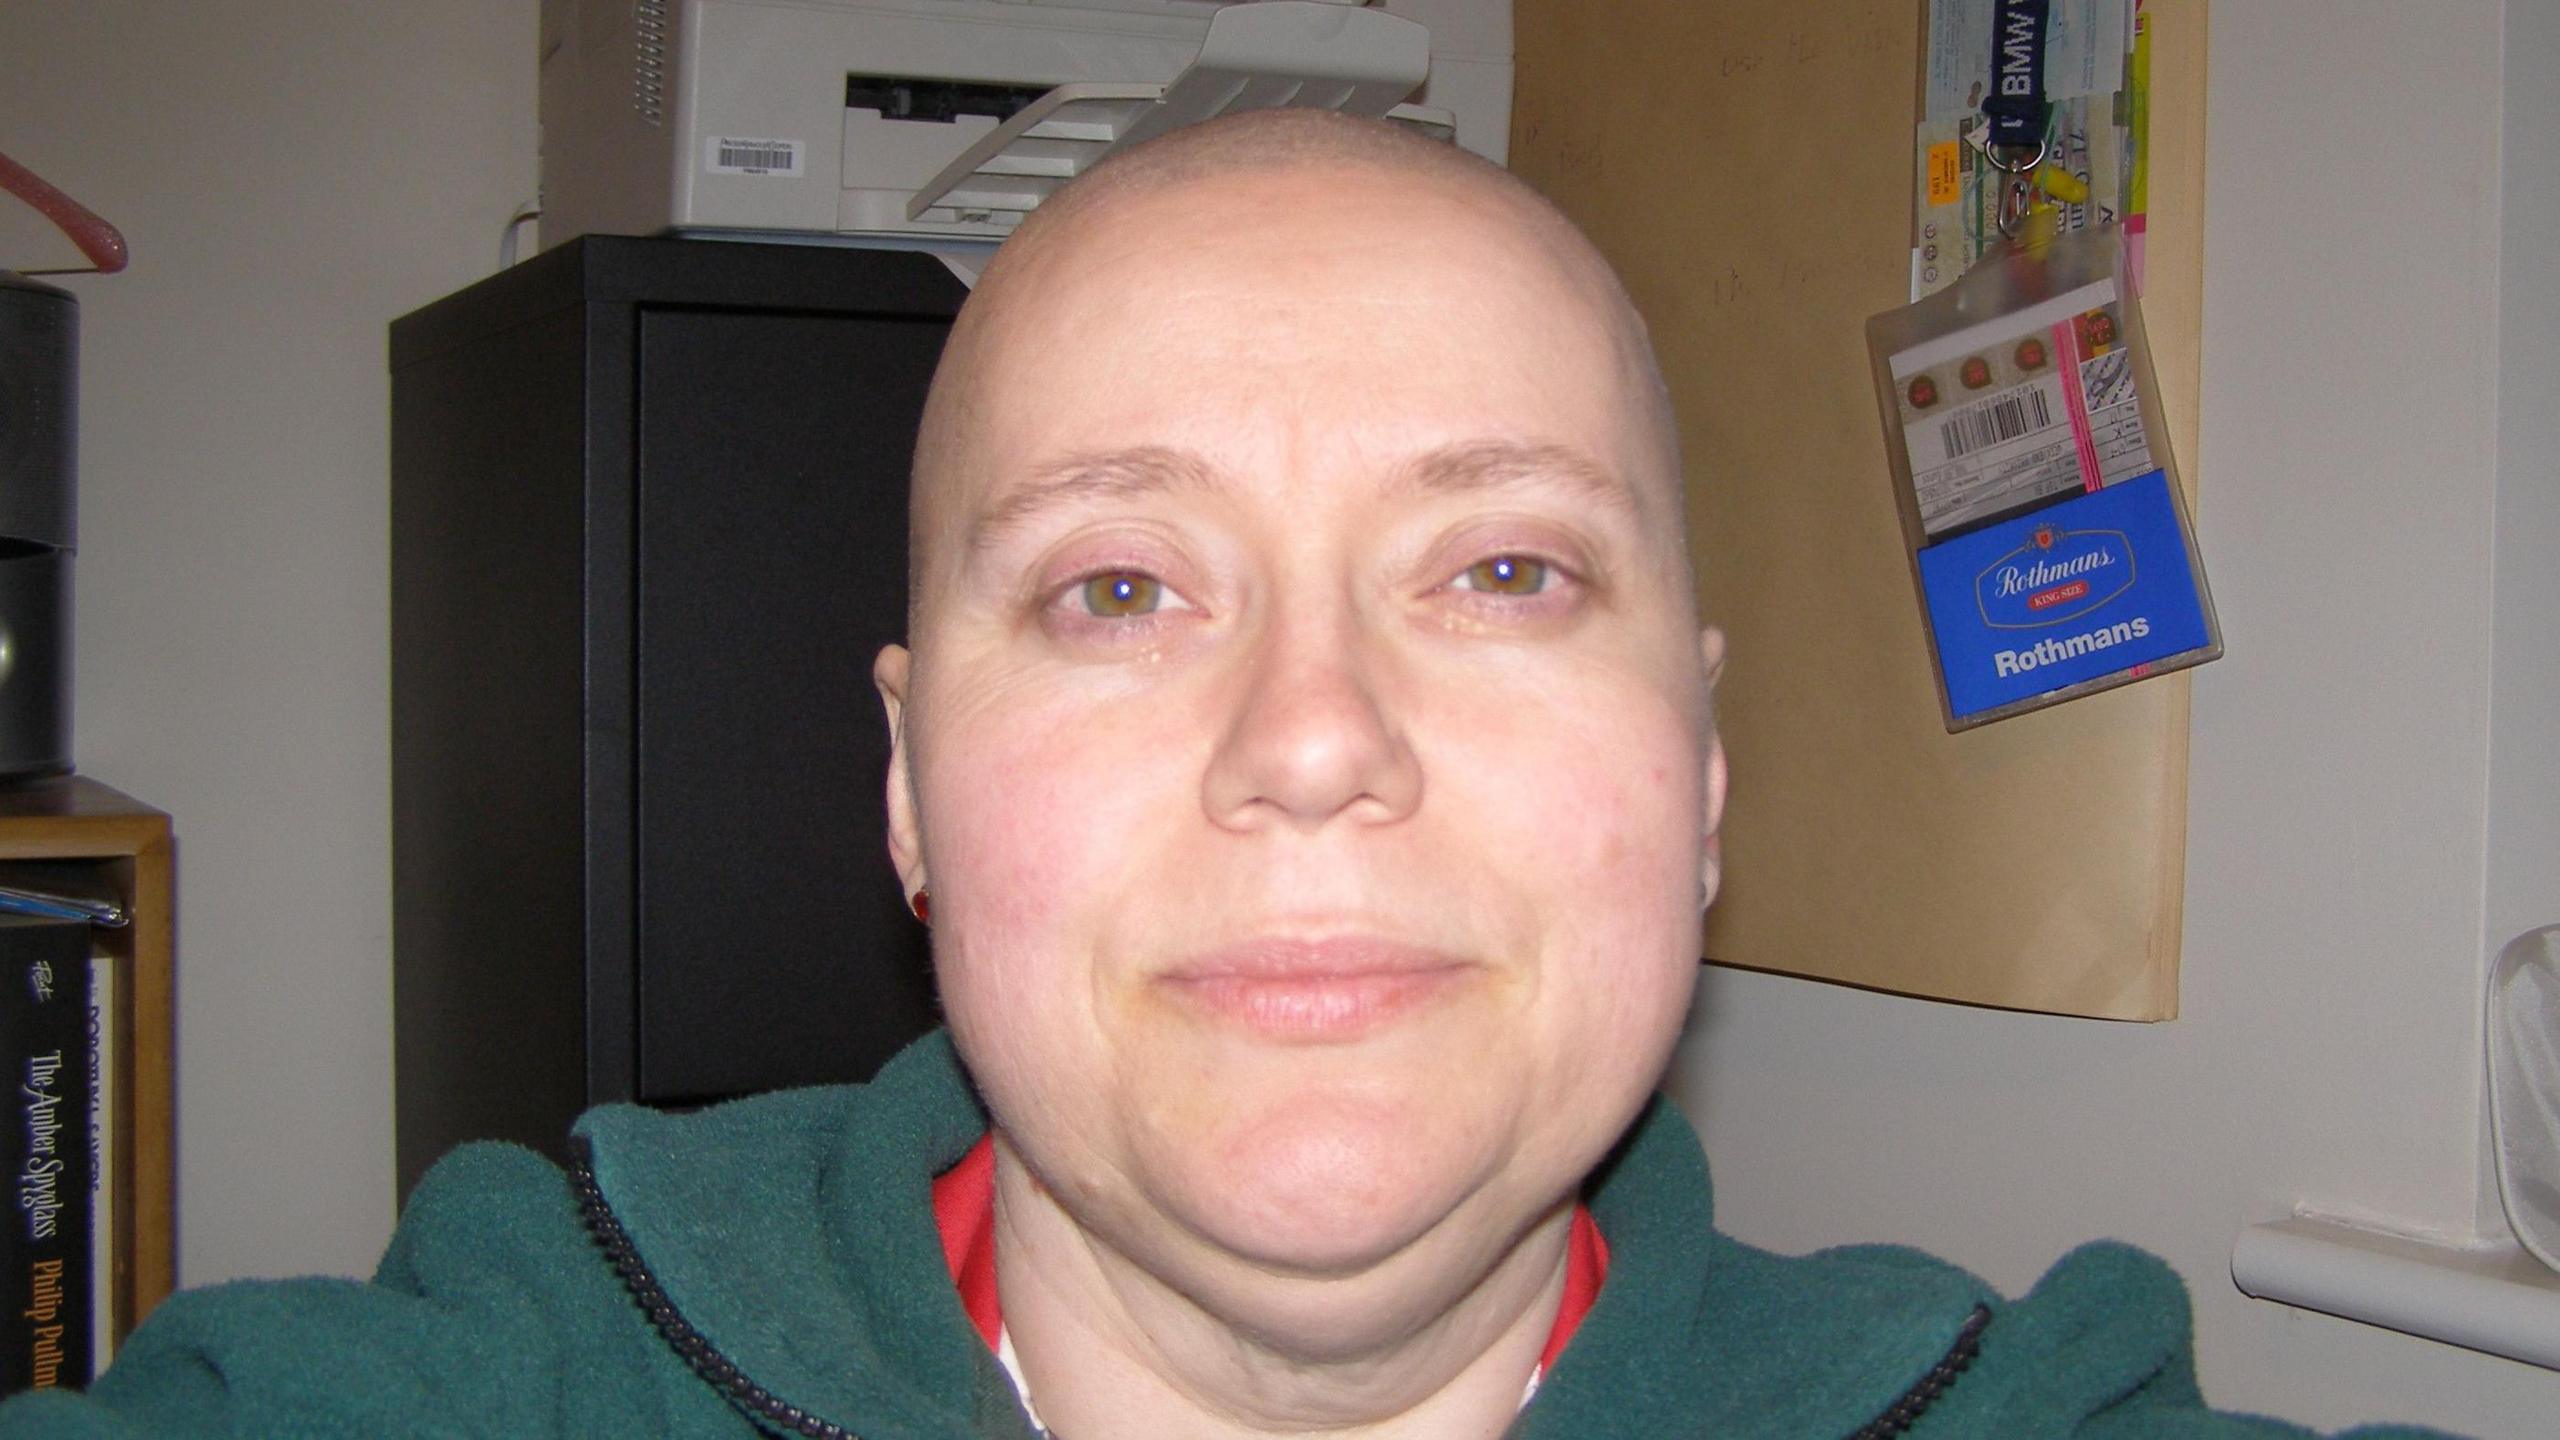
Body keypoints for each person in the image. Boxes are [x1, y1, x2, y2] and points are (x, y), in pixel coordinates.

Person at [0, 110, 2458, 1439]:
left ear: (1699, 773)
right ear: (905, 798)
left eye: (1497, 571)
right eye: (1115, 588)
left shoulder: (2002, 1413)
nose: (1309, 741)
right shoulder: (516, 1370)